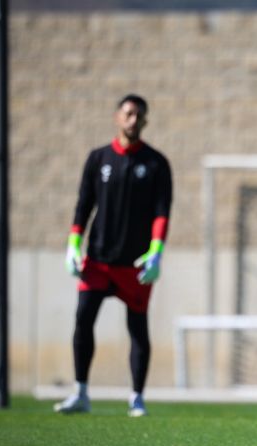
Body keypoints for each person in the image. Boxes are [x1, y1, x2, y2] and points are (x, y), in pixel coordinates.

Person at [54, 94, 173, 417]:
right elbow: (83, 205)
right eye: (129, 114)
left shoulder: (156, 163)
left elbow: (162, 213)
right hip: (98, 261)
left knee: (138, 330)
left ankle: (137, 397)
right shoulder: (97, 159)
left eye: (139, 116)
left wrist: (156, 252)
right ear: (118, 117)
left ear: (145, 122)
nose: (133, 120)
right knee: (83, 320)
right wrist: (73, 245)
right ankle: (80, 393)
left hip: (134, 266)